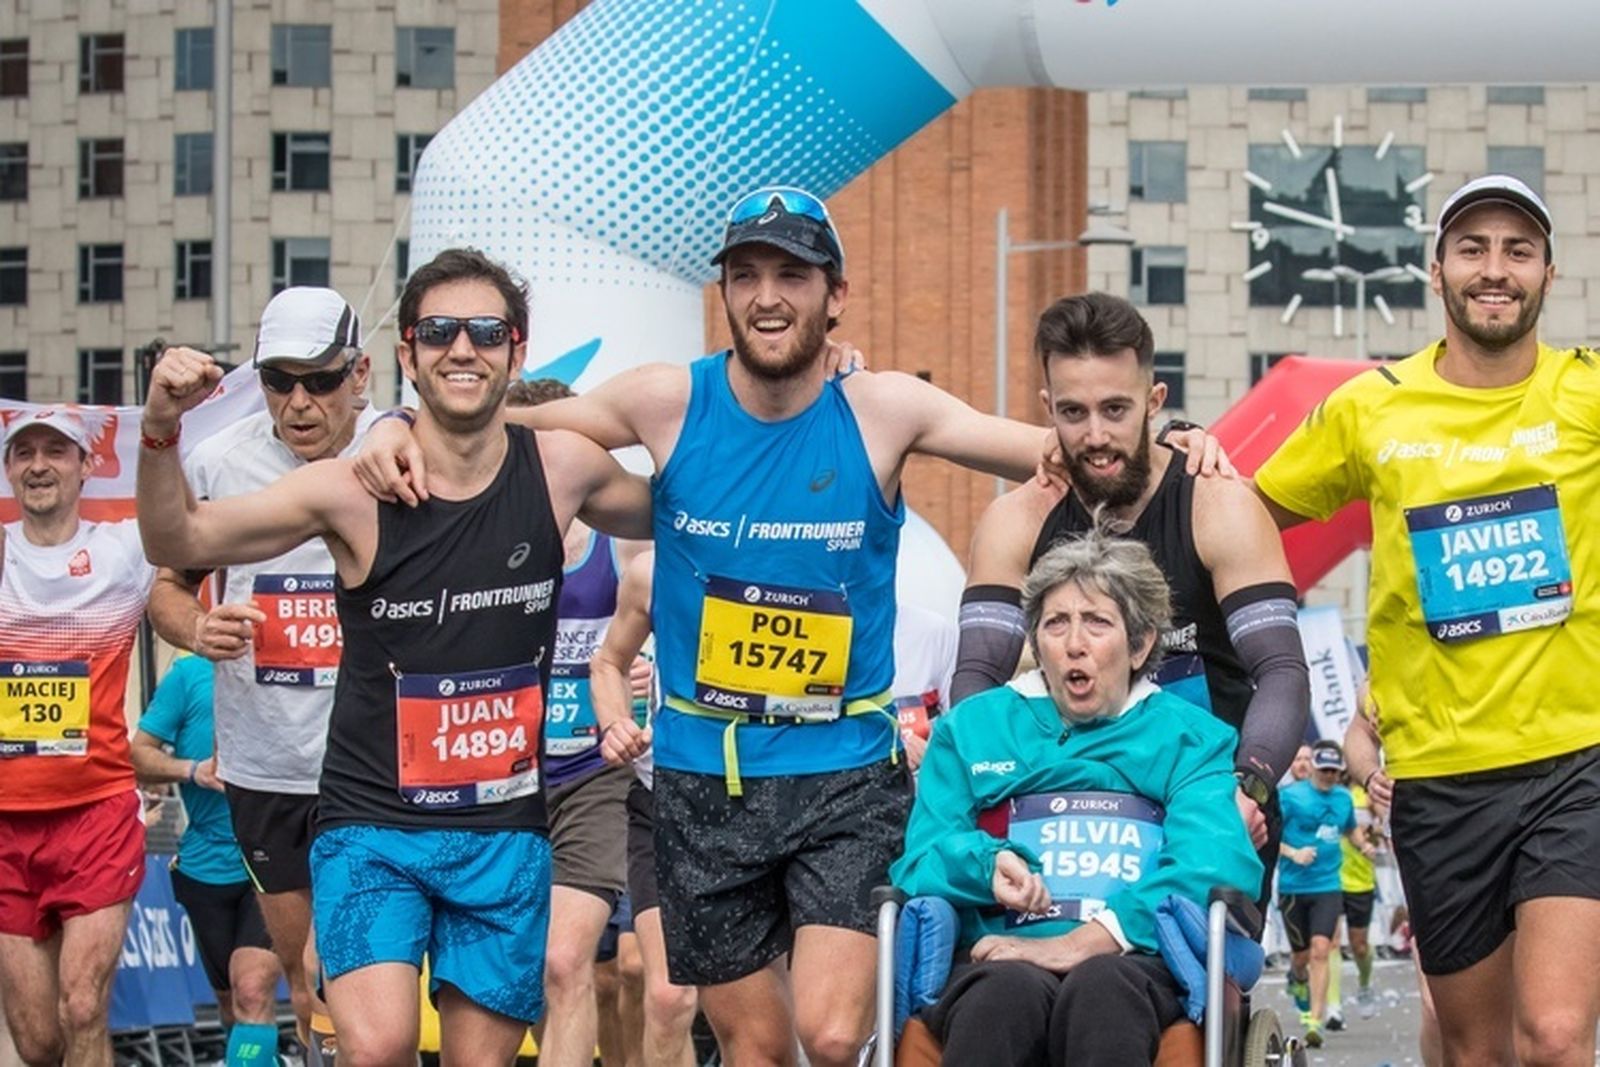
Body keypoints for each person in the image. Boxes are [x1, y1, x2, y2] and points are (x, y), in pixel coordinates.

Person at [355, 183, 1122, 1067]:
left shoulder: (881, 408)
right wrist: (393, 422)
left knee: (832, 1032)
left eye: (792, 274)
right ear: (723, 293)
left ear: (834, 295)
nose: (766, 295)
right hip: (700, 781)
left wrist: (1174, 440)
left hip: (843, 773)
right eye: (746, 274)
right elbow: (510, 422)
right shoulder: (664, 400)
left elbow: (1053, 446)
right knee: (755, 1045)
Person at [134, 248, 653, 1063]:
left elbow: (697, 508)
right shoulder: (351, 487)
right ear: (408, 354)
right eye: (439, 330)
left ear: (515, 350)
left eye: (486, 331)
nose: (462, 347)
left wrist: (808, 394)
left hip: (502, 830)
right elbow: (179, 538)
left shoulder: (561, 469)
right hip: (372, 824)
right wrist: (160, 427)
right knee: (375, 1047)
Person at [1252, 174, 1600, 1065]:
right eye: (1474, 249)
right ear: (1436, 268)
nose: (1496, 270)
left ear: (1548, 274)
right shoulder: (1373, 408)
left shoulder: (1586, 394)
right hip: (1442, 781)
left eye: (1518, 251)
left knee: (1557, 1035)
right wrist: (1184, 460)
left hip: (1577, 761)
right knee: (1473, 1050)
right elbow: (1255, 512)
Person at [955, 292, 1309, 911]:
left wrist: (1248, 785)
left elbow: (1281, 670)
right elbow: (977, 680)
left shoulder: (1217, 506)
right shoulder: (1016, 520)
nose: (1096, 435)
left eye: (1116, 409)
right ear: (1047, 411)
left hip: (1206, 799)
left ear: (1154, 401)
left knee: (1194, 1001)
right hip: (1061, 807)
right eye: (1073, 412)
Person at [889, 533, 1262, 1064]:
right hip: (997, 953)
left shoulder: (1190, 737)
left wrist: (1087, 940)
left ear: (1138, 645)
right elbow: (922, 857)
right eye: (1055, 623)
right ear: (1036, 640)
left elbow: (1211, 862)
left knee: (1102, 988)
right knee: (1004, 994)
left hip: (1134, 958)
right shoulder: (972, 730)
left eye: (1097, 622)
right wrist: (986, 865)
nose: (1074, 643)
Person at [145, 286, 376, 1057]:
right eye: (280, 381)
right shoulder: (221, 461)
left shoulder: (397, 444)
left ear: (362, 374)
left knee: (351, 965)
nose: (300, 402)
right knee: (301, 973)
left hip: (373, 765)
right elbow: (167, 589)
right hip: (266, 765)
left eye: (320, 379)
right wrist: (199, 626)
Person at [0, 409, 156, 1067]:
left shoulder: (125, 549)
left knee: (84, 1007)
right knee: (38, 1042)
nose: (38, 464)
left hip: (96, 812)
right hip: (7, 823)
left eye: (56, 452)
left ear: (87, 465)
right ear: (9, 470)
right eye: (24, 452)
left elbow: (199, 523)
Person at [504, 377, 648, 1067]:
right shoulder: (491, 534)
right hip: (506, 775)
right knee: (527, 976)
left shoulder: (616, 538)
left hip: (596, 775)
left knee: (569, 962)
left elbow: (660, 610)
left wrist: (641, 665)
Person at [130, 653, 283, 1067]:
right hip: (203, 865)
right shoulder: (190, 674)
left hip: (274, 857)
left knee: (251, 989)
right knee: (232, 1003)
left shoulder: (292, 668)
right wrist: (192, 770)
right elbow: (138, 755)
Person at [591, 548, 705, 1067]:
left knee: (752, 1010)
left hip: (763, 802)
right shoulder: (651, 572)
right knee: (667, 994)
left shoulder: (788, 551)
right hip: (661, 801)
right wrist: (615, 722)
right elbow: (607, 661)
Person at [1275, 740, 1364, 1048]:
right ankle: (1296, 978)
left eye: (1334, 771)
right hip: (1293, 887)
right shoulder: (1289, 797)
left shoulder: (1344, 799)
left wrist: (1365, 844)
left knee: (1321, 950)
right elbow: (1269, 837)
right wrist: (1293, 853)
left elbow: (1350, 829)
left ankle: (1315, 1020)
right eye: (1324, 769)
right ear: (1312, 766)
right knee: (1300, 957)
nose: (1328, 775)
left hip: (1327, 886)